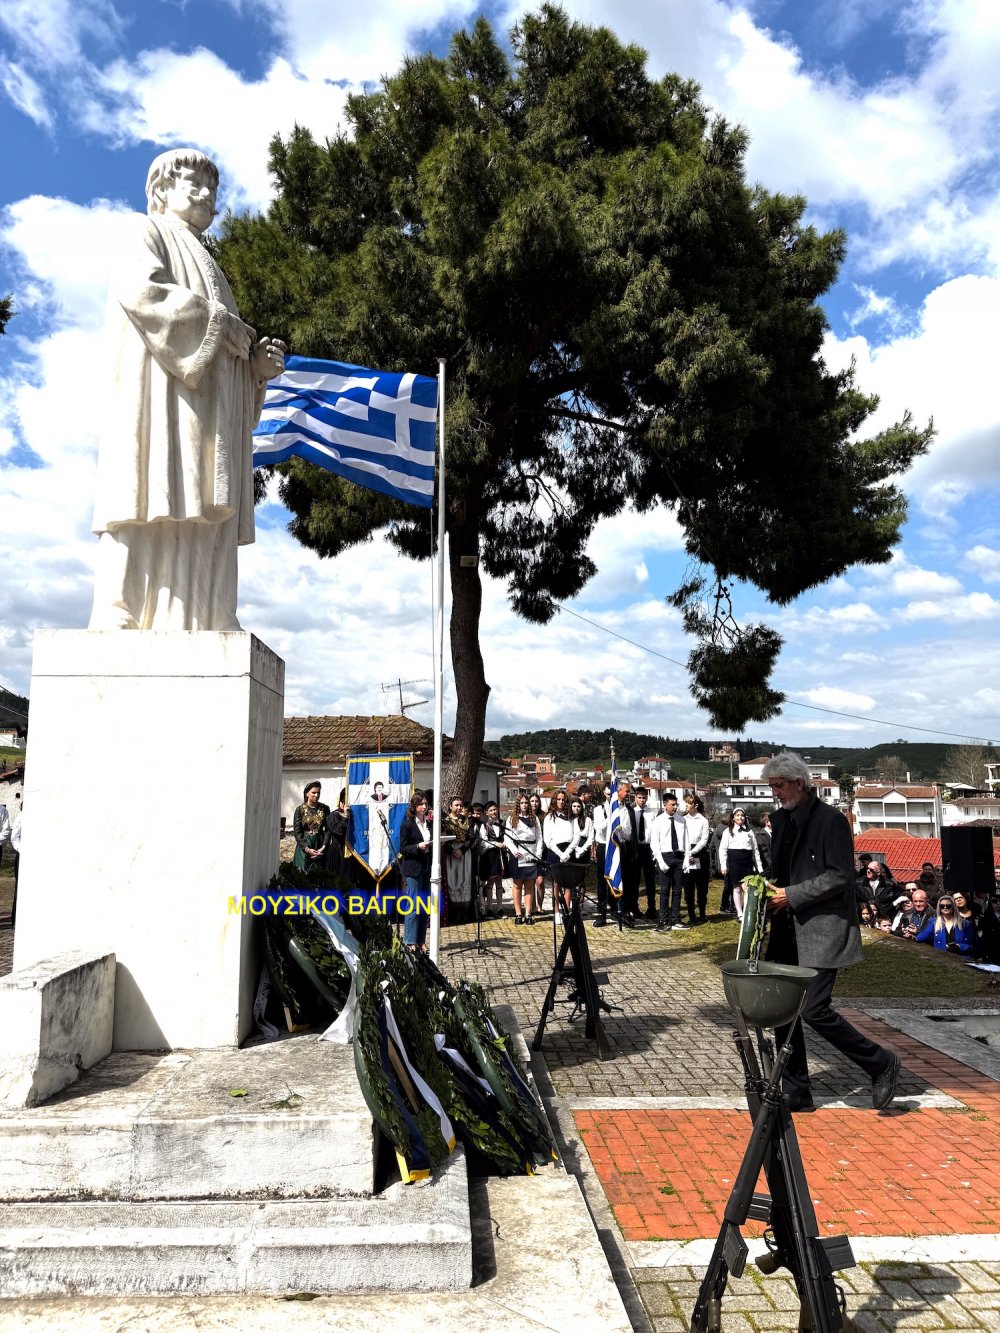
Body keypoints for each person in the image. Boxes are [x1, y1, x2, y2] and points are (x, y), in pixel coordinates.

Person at [90, 148, 287, 631]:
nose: (205, 194)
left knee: (198, 503)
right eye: (193, 184)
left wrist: (255, 370)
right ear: (161, 191)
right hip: (158, 400)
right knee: (147, 494)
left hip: (205, 414)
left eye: (212, 188)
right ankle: (124, 609)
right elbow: (143, 293)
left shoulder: (213, 267)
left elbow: (226, 348)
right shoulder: (144, 231)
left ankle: (205, 613)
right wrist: (222, 327)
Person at [762, 752, 900, 1114]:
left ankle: (880, 1062)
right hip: (785, 928)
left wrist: (789, 895)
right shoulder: (780, 820)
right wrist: (766, 893)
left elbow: (839, 875)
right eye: (771, 786)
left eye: (778, 785)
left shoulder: (832, 821)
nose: (774, 793)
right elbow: (782, 872)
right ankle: (796, 1091)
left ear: (799, 783)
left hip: (823, 928)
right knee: (782, 1012)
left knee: (814, 1010)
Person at [399, 791, 432, 950]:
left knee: (424, 904)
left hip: (426, 866)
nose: (424, 807)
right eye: (421, 804)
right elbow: (403, 848)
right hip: (412, 868)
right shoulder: (407, 824)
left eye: (426, 804)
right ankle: (410, 941)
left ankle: (421, 940)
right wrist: (418, 847)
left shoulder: (429, 823)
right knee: (412, 904)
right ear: (414, 806)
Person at [651, 794, 689, 931]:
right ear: (665, 805)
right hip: (665, 856)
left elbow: (686, 840)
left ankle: (675, 919)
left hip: (679, 856)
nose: (675, 807)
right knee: (665, 890)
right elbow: (655, 843)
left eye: (676, 804)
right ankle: (662, 920)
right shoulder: (658, 821)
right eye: (672, 804)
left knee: (678, 890)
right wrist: (660, 861)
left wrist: (686, 859)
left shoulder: (681, 820)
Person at [504, 795, 543, 925]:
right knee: (517, 884)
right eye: (522, 803)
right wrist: (514, 851)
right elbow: (507, 838)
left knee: (530, 884)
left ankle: (528, 913)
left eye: (527, 803)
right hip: (517, 854)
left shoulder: (534, 818)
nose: (525, 805)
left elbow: (539, 838)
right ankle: (518, 913)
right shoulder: (511, 819)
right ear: (518, 804)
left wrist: (537, 854)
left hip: (531, 854)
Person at [719, 808, 762, 921]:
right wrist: (723, 865)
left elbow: (755, 850)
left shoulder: (749, 832)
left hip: (747, 862)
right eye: (737, 815)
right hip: (734, 862)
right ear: (733, 817)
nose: (740, 817)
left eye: (742, 815)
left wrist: (759, 866)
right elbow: (722, 849)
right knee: (737, 887)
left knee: (748, 888)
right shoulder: (727, 831)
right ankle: (739, 913)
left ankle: (748, 911)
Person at [443, 796, 474, 924]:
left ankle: (465, 913)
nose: (459, 807)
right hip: (451, 852)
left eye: (461, 805)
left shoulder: (467, 820)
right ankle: (454, 914)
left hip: (464, 852)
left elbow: (471, 838)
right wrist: (452, 850)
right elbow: (443, 838)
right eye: (456, 805)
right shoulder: (445, 821)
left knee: (465, 880)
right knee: (452, 881)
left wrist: (462, 850)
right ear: (451, 806)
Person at [682, 793, 711, 923]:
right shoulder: (683, 819)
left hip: (700, 853)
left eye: (689, 803)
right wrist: (687, 853)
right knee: (688, 885)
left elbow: (704, 840)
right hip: (687, 853)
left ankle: (703, 914)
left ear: (696, 805)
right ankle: (691, 914)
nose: (686, 805)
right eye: (686, 803)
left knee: (702, 885)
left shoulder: (703, 821)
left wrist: (693, 852)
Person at [615, 780, 640, 926]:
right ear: (618, 791)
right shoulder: (612, 808)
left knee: (629, 880)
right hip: (615, 847)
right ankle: (618, 909)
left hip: (627, 848)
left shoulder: (629, 809)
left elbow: (632, 832)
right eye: (626, 791)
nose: (628, 794)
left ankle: (627, 909)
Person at [293, 782, 329, 875]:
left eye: (318, 793)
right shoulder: (300, 810)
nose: (316, 795)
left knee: (319, 877)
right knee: (301, 876)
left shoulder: (325, 809)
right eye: (313, 792)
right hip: (304, 847)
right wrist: (307, 849)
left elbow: (328, 830)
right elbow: (297, 832)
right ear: (307, 793)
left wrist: (323, 847)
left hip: (320, 845)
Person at [478, 801, 507, 917]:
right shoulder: (484, 825)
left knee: (499, 881)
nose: (493, 812)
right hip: (490, 856)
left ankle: (500, 908)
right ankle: (489, 908)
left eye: (495, 809)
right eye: (490, 810)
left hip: (501, 855)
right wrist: (495, 844)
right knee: (490, 881)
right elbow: (483, 842)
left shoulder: (503, 823)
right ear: (487, 813)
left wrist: (504, 844)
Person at [632, 787, 658, 919]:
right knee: (635, 880)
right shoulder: (632, 812)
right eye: (639, 797)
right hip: (636, 848)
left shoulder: (651, 813)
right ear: (635, 797)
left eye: (644, 798)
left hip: (648, 847)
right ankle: (634, 907)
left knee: (650, 880)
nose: (642, 800)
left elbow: (655, 832)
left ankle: (651, 908)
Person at [591, 784, 613, 928]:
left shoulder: (621, 809)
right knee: (601, 882)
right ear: (604, 794)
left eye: (613, 794)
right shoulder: (598, 809)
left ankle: (617, 909)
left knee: (615, 879)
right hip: (603, 845)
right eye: (608, 794)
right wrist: (610, 818)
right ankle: (601, 913)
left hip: (616, 845)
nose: (610, 796)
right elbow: (598, 827)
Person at [324, 787, 350, 876]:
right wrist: (345, 817)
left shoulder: (355, 816)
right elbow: (338, 831)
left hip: (353, 853)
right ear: (342, 803)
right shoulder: (334, 815)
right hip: (338, 852)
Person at [528, 794, 547, 913]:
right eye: (532, 801)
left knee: (540, 881)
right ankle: (533, 906)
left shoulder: (544, 816)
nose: (534, 803)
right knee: (530, 881)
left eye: (536, 801)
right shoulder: (526, 816)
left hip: (542, 851)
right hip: (529, 851)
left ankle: (540, 904)